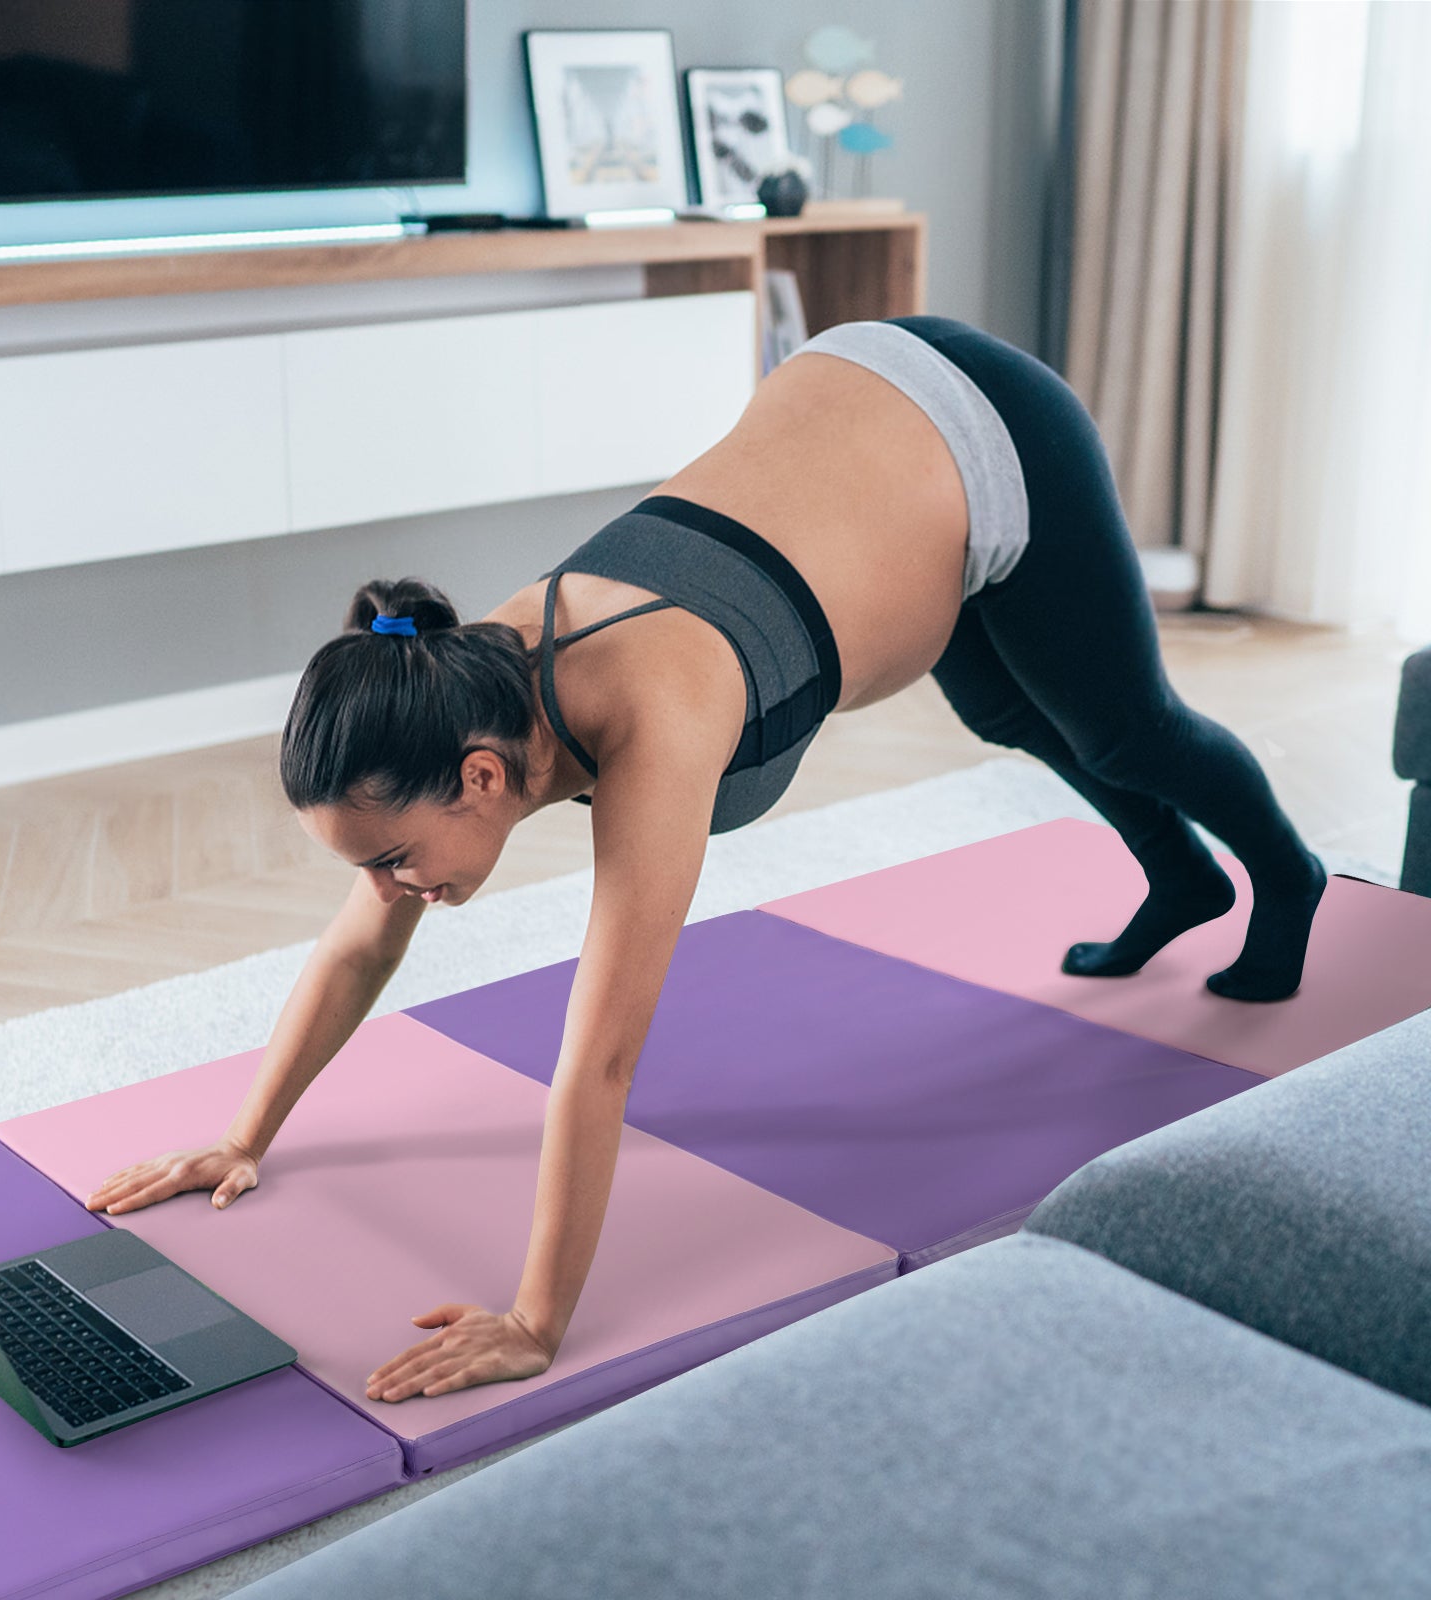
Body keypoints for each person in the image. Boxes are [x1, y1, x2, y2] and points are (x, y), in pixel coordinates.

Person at [83, 315, 1328, 1403]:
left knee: (1124, 724)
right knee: (1011, 713)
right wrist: (243, 1134)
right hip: (857, 431)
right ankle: (1181, 880)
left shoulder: (656, 716)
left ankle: (1284, 875)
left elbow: (602, 1055)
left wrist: (534, 1320)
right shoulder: (454, 681)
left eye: (397, 857)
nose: (396, 887)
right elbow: (361, 942)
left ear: (476, 777)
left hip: (985, 425)